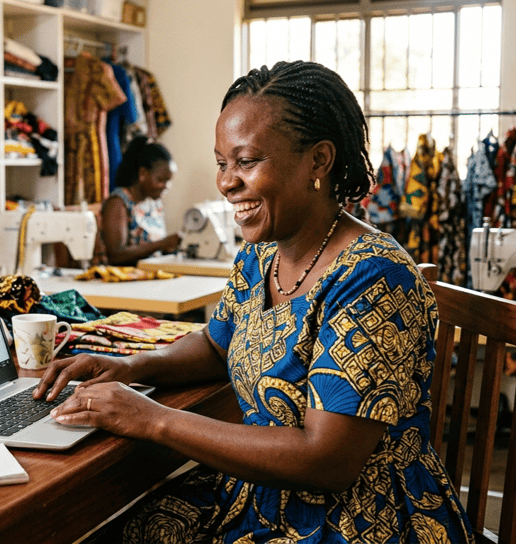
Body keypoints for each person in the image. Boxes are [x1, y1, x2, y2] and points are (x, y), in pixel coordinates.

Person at [34, 61, 473, 542]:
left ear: (319, 161)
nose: (225, 182)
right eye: (223, 163)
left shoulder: (373, 276)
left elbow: (326, 460)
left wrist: (153, 419)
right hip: (263, 492)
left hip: (358, 517)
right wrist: (130, 365)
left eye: (246, 162)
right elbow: (216, 345)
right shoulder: (259, 256)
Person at [101, 135, 182, 265]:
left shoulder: (154, 203)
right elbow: (116, 255)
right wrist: (162, 244)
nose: (166, 186)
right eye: (161, 180)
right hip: (124, 281)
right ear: (143, 173)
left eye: (168, 181)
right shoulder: (118, 203)